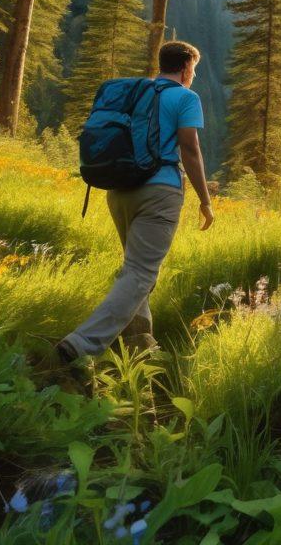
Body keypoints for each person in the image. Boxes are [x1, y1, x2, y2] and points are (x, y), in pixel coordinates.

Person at [56, 41, 214, 364]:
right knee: (140, 274)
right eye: (193, 70)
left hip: (119, 191)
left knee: (135, 271)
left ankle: (140, 346)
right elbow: (190, 149)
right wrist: (205, 200)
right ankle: (80, 345)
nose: (193, 76)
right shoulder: (185, 97)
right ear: (185, 68)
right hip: (160, 193)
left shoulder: (137, 92)